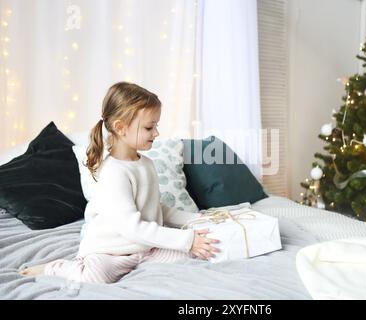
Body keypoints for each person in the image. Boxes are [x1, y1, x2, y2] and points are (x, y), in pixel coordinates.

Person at [19, 82, 220, 284]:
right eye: (150, 127)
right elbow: (133, 228)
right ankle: (56, 267)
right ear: (120, 128)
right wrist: (186, 240)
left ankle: (149, 261)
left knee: (195, 255)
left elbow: (155, 207)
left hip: (146, 247)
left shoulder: (147, 164)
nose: (156, 133)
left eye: (156, 126)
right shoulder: (114, 172)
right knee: (94, 277)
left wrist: (195, 220)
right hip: (111, 250)